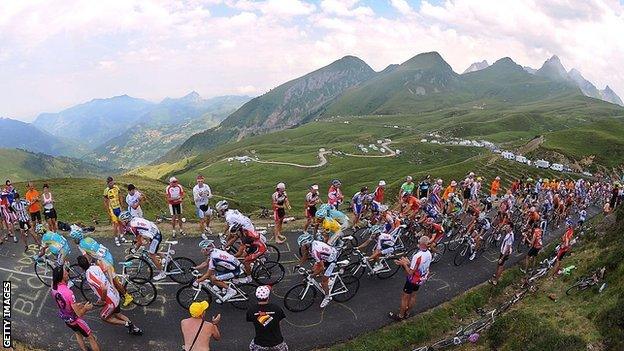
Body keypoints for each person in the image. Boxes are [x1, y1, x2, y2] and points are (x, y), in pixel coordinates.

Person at [76, 256, 143, 335]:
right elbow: (108, 268)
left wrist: (102, 299)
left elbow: (103, 288)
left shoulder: (89, 277)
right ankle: (135, 329)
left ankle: (127, 324)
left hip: (110, 301)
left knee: (103, 317)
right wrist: (112, 284)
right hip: (115, 294)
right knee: (117, 314)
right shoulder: (95, 267)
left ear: (80, 267)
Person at [70, 226, 133, 306]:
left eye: (73, 238)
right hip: (106, 254)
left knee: (114, 281)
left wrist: (87, 267)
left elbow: (87, 258)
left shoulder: (81, 246)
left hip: (105, 261)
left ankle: (127, 296)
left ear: (76, 238)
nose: (73, 240)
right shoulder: (88, 238)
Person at [51, 265, 101, 351]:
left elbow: (65, 304)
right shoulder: (68, 292)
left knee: (78, 334)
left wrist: (77, 305)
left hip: (66, 319)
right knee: (91, 338)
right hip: (75, 321)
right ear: (61, 277)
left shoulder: (54, 288)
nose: (67, 273)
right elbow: (79, 314)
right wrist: (86, 308)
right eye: (65, 272)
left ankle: (84, 349)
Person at [389, 236, 432, 321]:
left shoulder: (417, 256)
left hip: (412, 280)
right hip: (420, 279)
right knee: (413, 296)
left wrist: (403, 264)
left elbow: (410, 272)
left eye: (419, 242)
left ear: (422, 244)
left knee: (405, 297)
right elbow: (419, 266)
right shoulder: (429, 253)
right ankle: (408, 313)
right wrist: (408, 262)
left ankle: (400, 316)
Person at [121, 211, 166, 281]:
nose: (122, 223)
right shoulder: (134, 219)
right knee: (153, 249)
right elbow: (140, 236)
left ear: (126, 220)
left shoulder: (132, 226)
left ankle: (162, 273)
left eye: (122, 221)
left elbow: (140, 241)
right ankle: (165, 258)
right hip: (154, 231)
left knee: (151, 254)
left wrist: (134, 250)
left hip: (154, 235)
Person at [296, 234, 338, 308]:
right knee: (314, 269)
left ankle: (327, 297)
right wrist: (299, 265)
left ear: (307, 244)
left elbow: (321, 267)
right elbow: (305, 254)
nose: (301, 247)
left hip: (331, 260)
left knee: (323, 282)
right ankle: (328, 279)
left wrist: (312, 276)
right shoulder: (310, 246)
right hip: (326, 256)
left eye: (302, 245)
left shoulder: (315, 251)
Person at [246, 285, 288, 351]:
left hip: (260, 342)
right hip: (277, 342)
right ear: (268, 297)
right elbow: (279, 323)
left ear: (256, 296)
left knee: (252, 347)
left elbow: (252, 320)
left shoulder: (251, 310)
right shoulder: (276, 308)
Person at [103, 176, 126, 247]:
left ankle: (121, 236)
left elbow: (120, 196)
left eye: (112, 182)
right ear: (108, 183)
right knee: (115, 225)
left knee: (121, 223)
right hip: (112, 210)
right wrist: (108, 212)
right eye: (110, 183)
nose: (112, 184)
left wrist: (122, 205)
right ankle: (116, 239)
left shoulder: (116, 187)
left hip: (118, 208)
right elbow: (105, 202)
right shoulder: (106, 191)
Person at [193, 175, 213, 239]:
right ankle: (203, 233)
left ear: (203, 180)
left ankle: (207, 227)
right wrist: (200, 195)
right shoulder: (195, 188)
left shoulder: (206, 186)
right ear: (197, 181)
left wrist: (207, 195)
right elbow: (195, 199)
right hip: (199, 206)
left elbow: (210, 195)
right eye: (199, 181)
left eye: (201, 181)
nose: (200, 182)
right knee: (202, 220)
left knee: (209, 216)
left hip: (206, 204)